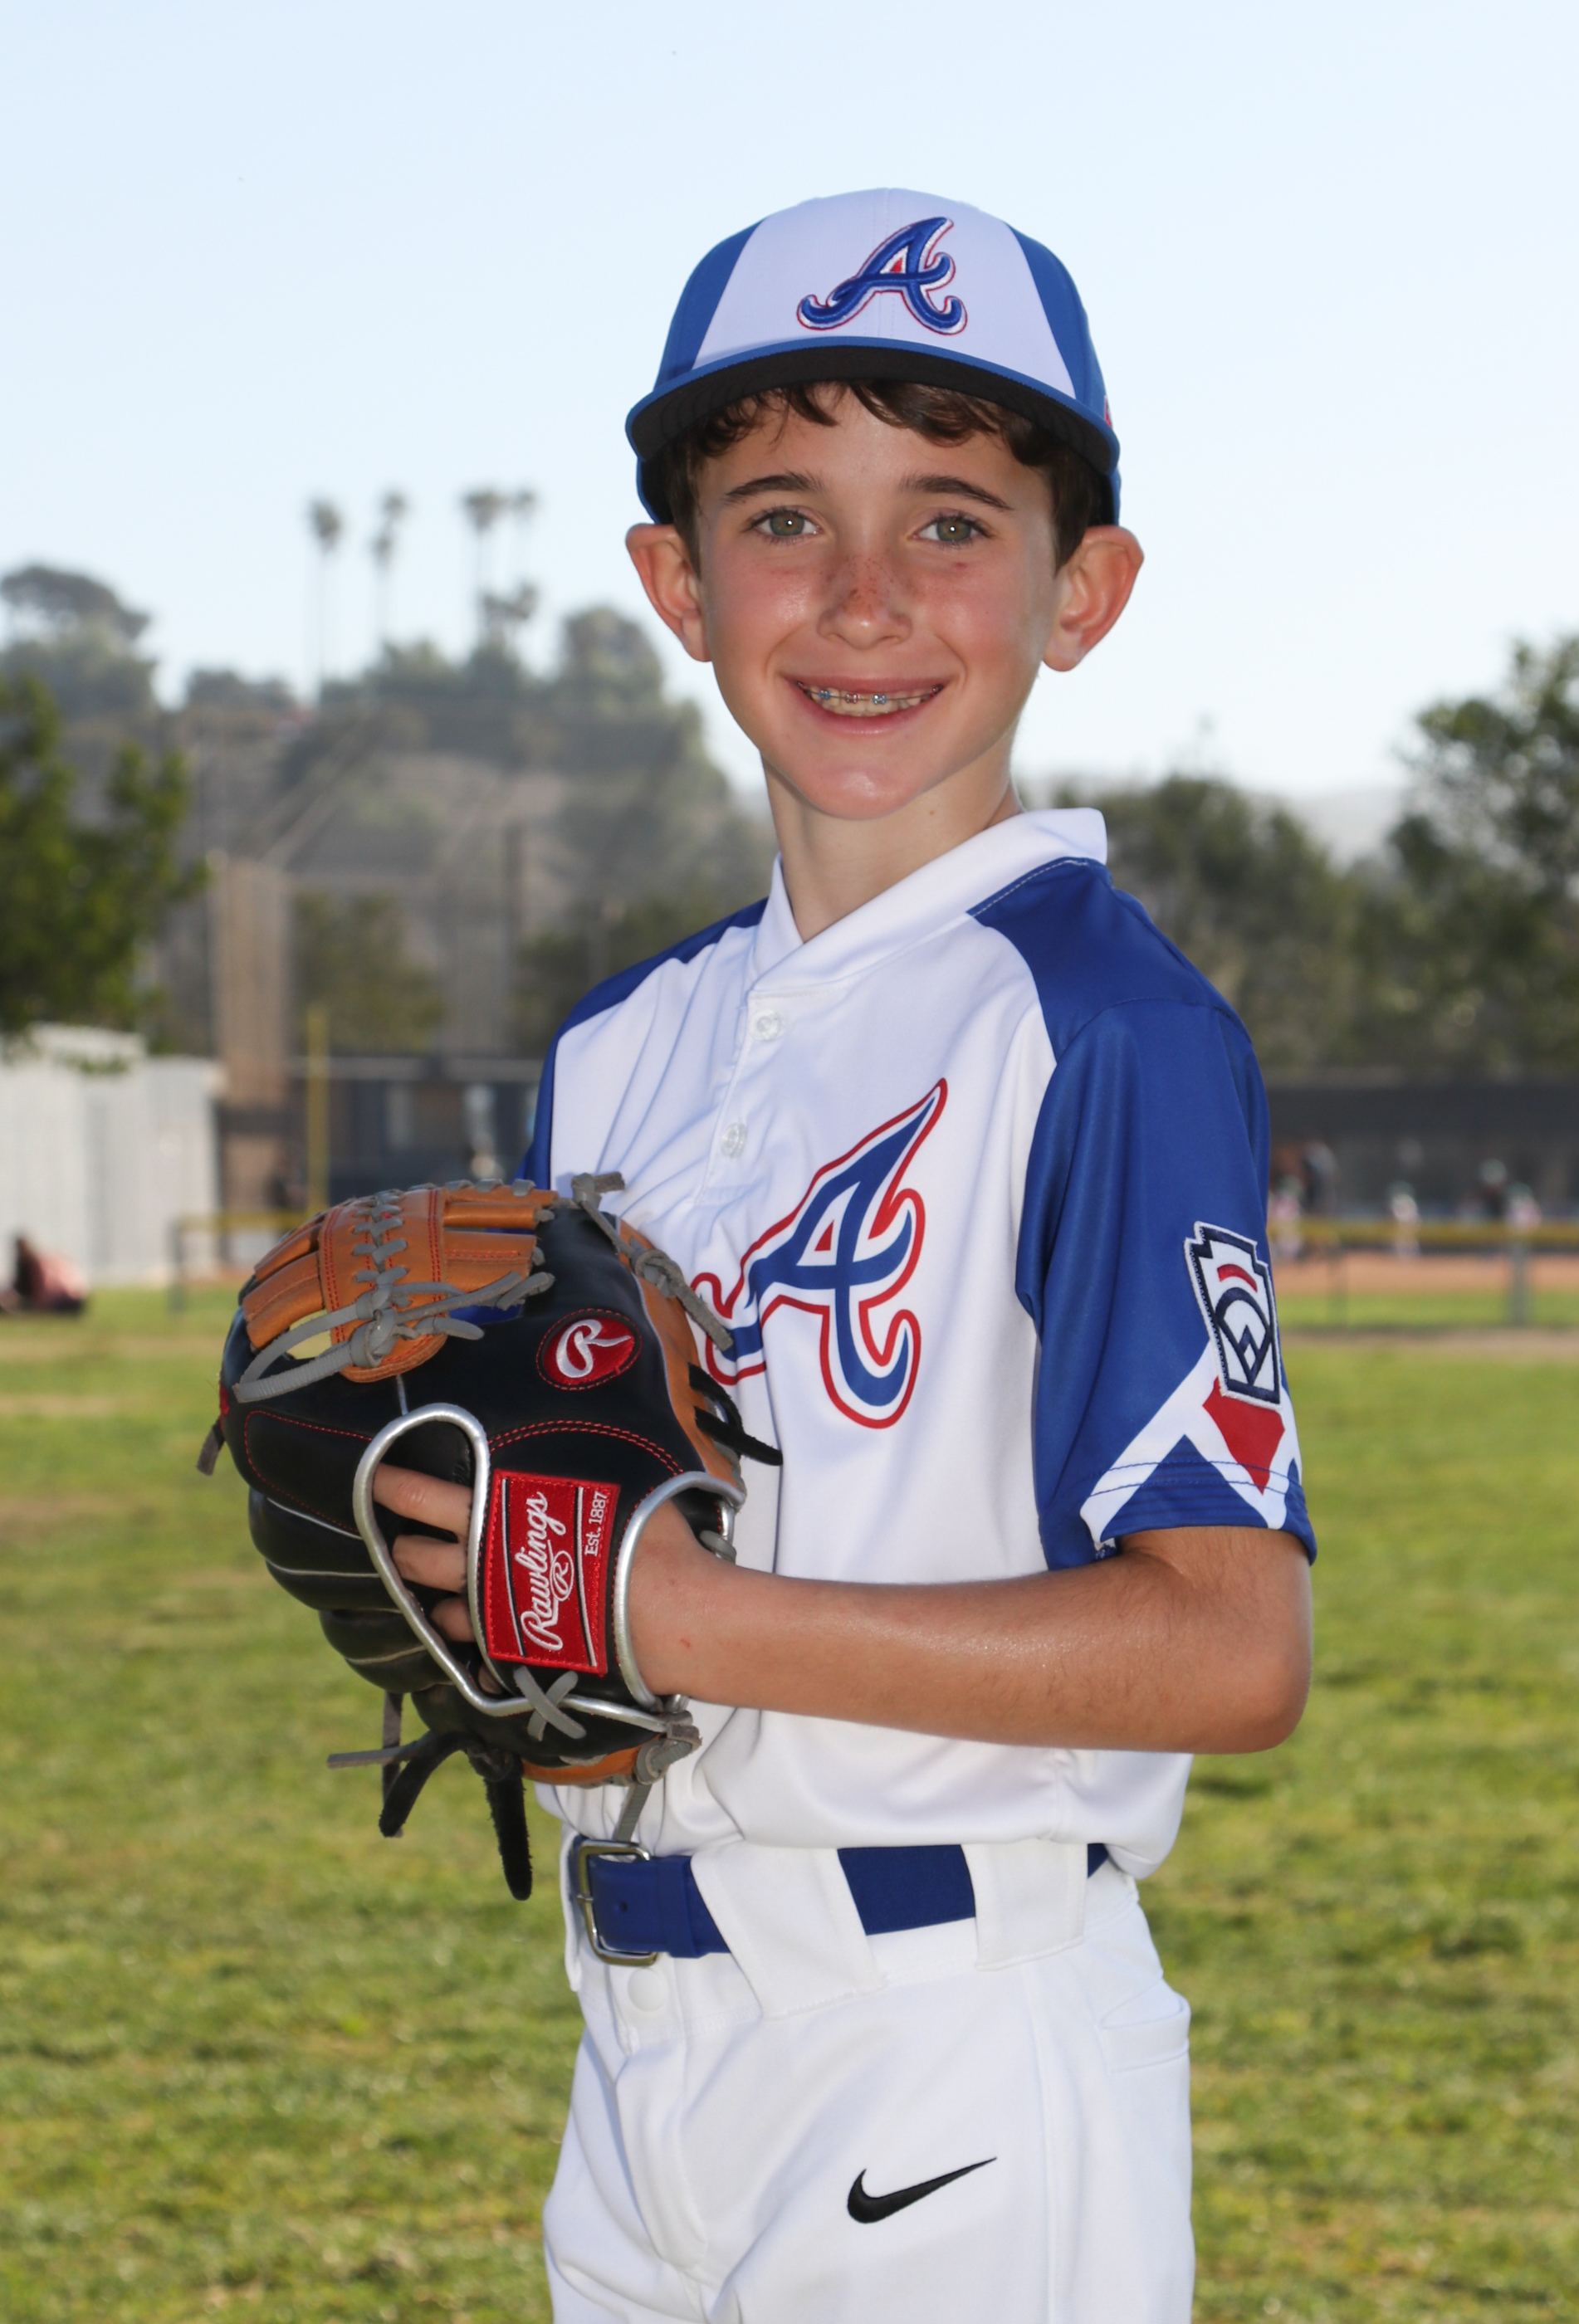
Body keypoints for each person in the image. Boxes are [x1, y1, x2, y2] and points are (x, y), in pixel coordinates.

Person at [376, 189, 1314, 2323]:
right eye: (784, 516)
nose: (867, 597)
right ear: (677, 582)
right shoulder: (619, 1047)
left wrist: (676, 1608)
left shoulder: (1097, 1021)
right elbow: (607, 1638)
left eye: (953, 522)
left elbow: (1227, 1646)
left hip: (948, 2040)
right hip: (642, 2046)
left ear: (1083, 590)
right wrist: (507, 1629)